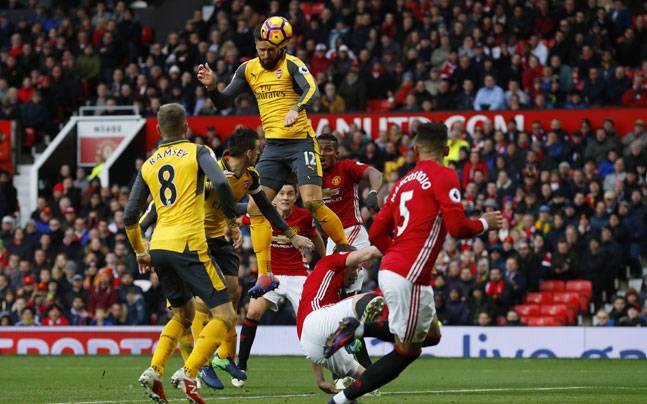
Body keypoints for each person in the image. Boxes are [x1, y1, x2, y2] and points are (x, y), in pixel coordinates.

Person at [326, 122, 503, 404]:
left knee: (431, 336)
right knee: (407, 351)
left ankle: (357, 329)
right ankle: (342, 400)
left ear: (415, 149)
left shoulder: (403, 182)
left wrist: (393, 255)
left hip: (397, 269)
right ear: (446, 149)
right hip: (409, 274)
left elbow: (375, 232)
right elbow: (457, 227)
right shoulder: (444, 175)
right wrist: (484, 224)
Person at [138, 127, 312, 390]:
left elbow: (262, 207)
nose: (261, 152)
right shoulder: (210, 168)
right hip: (195, 240)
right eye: (259, 148)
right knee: (201, 304)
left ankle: (222, 356)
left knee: (233, 291)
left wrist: (290, 234)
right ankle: (202, 363)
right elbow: (163, 206)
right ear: (250, 151)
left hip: (219, 239)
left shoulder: (251, 176)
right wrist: (142, 235)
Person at [197, 19, 350, 298]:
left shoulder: (292, 64)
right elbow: (223, 102)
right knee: (256, 209)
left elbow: (311, 89)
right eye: (260, 50)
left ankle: (343, 247)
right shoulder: (248, 69)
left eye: (269, 50)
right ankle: (266, 276)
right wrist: (212, 88)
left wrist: (297, 107)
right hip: (274, 148)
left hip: (301, 141)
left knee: (313, 201)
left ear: (281, 47)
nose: (264, 55)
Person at [124, 103, 242, 404]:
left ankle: (155, 369)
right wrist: (230, 219)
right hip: (189, 244)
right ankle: (190, 374)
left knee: (184, 314)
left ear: (157, 129)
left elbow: (129, 216)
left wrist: (140, 250)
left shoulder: (149, 164)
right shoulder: (198, 152)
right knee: (226, 314)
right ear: (186, 127)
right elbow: (219, 182)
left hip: (159, 246)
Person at [235, 182, 325, 386]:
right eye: (281, 193)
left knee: (311, 323)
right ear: (273, 198)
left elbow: (316, 237)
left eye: (290, 193)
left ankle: (328, 375)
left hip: (297, 275)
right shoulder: (261, 214)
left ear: (296, 197)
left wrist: (326, 258)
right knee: (253, 312)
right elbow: (240, 219)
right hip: (270, 275)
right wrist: (233, 229)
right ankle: (241, 366)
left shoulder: (303, 216)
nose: (285, 197)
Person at [296, 245, 385, 394]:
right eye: (354, 268)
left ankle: (350, 336)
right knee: (372, 298)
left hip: (312, 346)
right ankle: (357, 329)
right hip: (315, 323)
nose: (356, 274)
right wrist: (399, 245)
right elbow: (370, 252)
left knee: (372, 383)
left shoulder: (327, 291)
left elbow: (314, 335)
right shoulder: (330, 262)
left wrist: (320, 380)